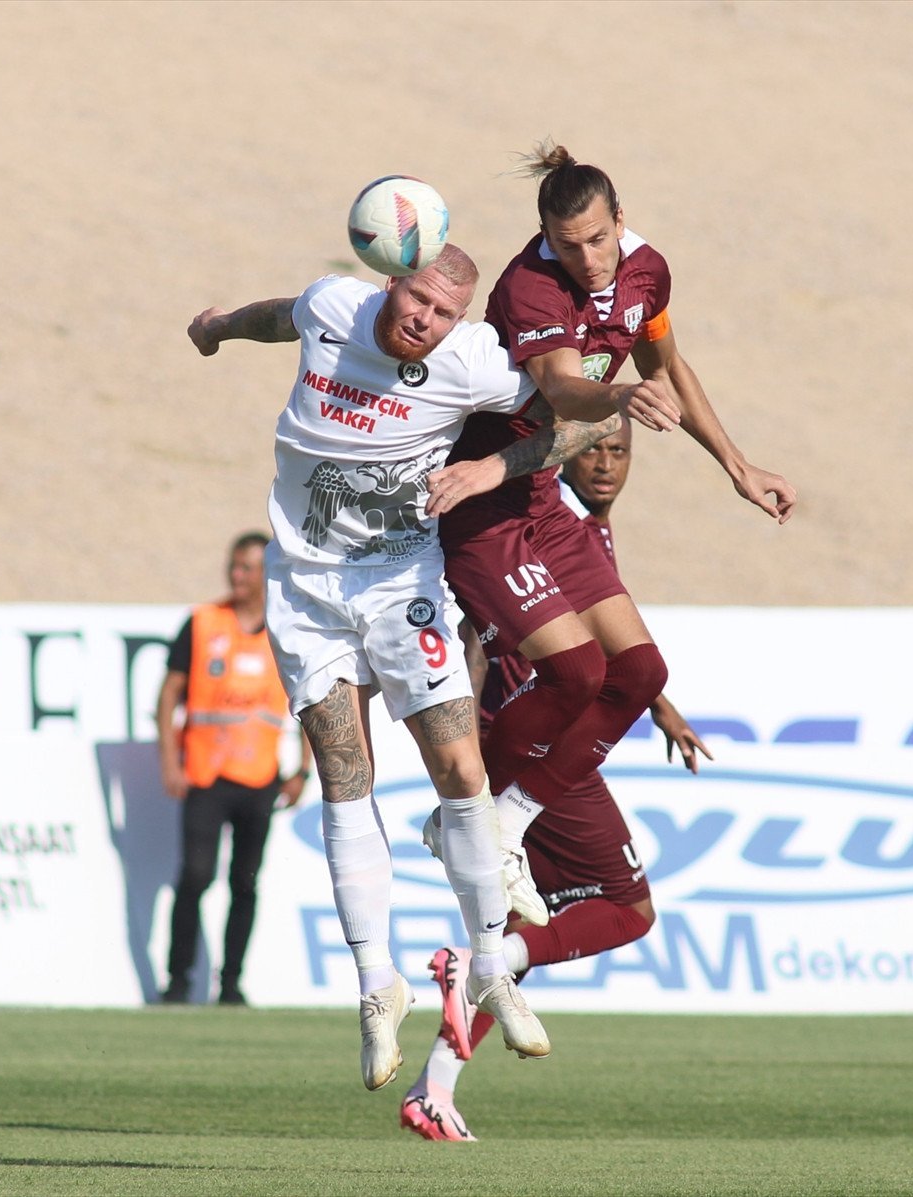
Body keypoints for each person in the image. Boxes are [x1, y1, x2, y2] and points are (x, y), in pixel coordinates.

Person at [184, 245, 671, 1089]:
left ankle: (489, 964)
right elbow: (279, 314)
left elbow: (584, 421)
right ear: (390, 284)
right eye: (418, 303)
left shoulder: (474, 360)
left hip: (402, 580)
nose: (426, 322)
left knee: (458, 765)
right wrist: (218, 328)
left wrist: (493, 464)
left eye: (445, 313)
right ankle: (377, 987)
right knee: (344, 769)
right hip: (304, 586)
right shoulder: (333, 307)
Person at [424, 143, 797, 914]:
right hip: (486, 503)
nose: (588, 258)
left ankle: (505, 822)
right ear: (543, 240)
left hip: (541, 497)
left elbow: (671, 364)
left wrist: (736, 463)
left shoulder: (646, 270)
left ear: (620, 220)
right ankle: (464, 815)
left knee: (638, 674)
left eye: (598, 239)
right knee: (577, 674)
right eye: (569, 245)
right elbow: (561, 387)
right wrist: (622, 396)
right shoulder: (530, 287)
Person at [401, 418, 713, 1142]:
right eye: (593, 447)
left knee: (529, 917)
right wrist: (466, 764)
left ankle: (434, 1089)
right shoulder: (545, 519)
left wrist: (658, 704)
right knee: (627, 908)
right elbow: (480, 632)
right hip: (538, 746)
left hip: (544, 742)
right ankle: (481, 962)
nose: (605, 463)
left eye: (619, 451)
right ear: (558, 454)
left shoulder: (588, 533)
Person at [157, 531, 312, 1007]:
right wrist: (169, 761)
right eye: (234, 565)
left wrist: (302, 770)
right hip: (205, 773)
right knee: (196, 876)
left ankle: (231, 984)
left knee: (244, 882)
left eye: (247, 567)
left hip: (260, 778)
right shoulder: (204, 622)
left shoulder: (287, 629)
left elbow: (311, 701)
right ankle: (178, 981)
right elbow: (168, 698)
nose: (237, 575)